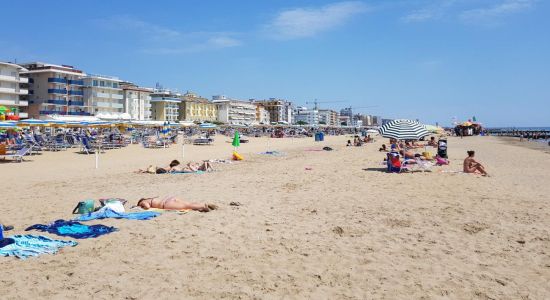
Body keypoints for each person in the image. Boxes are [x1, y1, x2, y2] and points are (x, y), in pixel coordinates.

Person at [136, 196, 218, 212]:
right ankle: (203, 205)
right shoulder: (150, 198)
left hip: (166, 204)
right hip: (169, 198)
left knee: (187, 206)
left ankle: (203, 206)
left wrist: (142, 206)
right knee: (188, 203)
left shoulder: (143, 202)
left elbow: (147, 207)